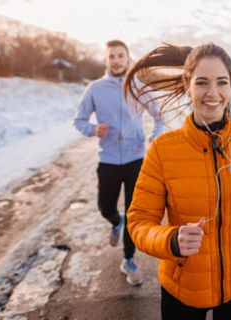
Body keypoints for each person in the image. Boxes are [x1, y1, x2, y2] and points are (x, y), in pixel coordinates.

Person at [124, 43, 231, 319]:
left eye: (222, 83)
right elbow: (139, 221)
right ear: (187, 85)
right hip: (183, 287)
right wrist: (170, 240)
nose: (212, 93)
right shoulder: (162, 150)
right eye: (202, 82)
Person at [73, 39, 163, 286]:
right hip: (109, 159)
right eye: (111, 56)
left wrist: (155, 136)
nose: (116, 60)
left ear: (127, 58)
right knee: (105, 206)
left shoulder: (139, 87)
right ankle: (115, 221)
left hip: (136, 159)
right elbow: (79, 120)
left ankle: (129, 259)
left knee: (134, 213)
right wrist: (93, 129)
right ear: (106, 60)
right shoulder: (95, 89)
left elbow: (159, 117)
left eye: (120, 56)